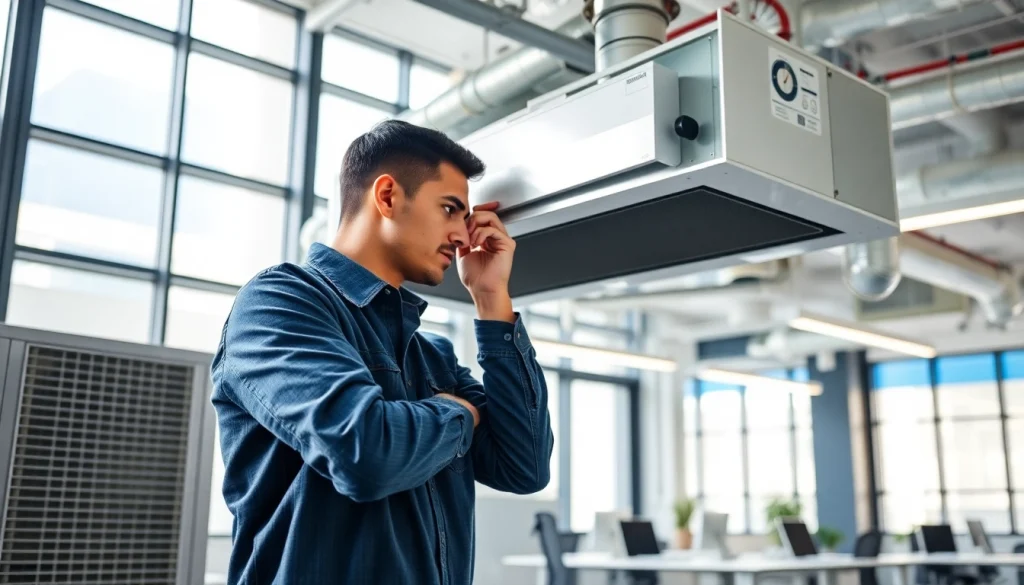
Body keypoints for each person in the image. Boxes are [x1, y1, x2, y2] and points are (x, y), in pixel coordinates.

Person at [210, 119, 553, 585]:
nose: (462, 235)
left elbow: (524, 468)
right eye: (450, 209)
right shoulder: (277, 303)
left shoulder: (432, 356)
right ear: (388, 196)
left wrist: (492, 299)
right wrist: (459, 414)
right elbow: (364, 453)